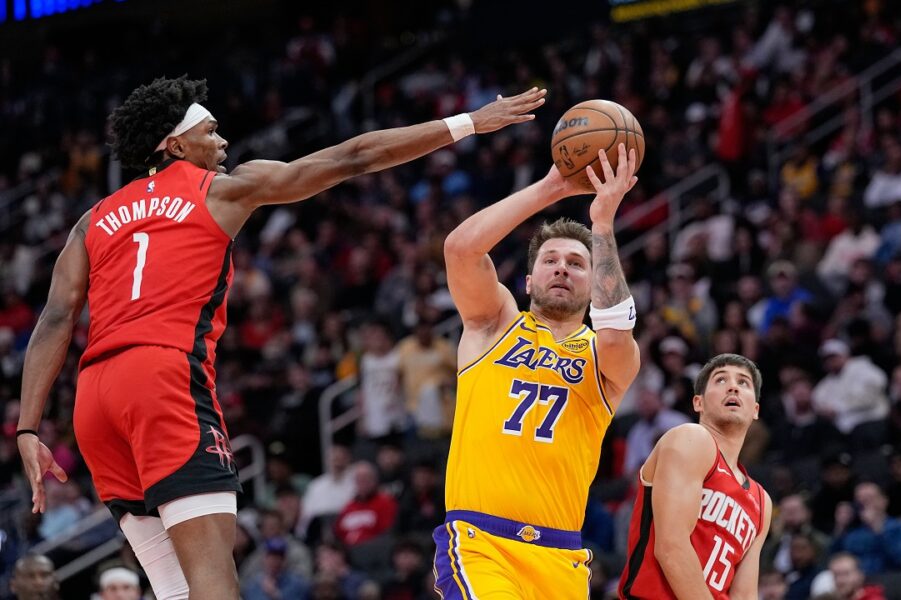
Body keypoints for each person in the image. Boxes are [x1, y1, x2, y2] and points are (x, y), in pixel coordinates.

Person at [15, 74, 544, 600]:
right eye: (211, 131)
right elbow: (352, 157)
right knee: (214, 581)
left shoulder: (93, 220)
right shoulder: (223, 188)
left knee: (173, 590)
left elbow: (55, 319)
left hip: (93, 401)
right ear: (175, 144)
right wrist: (470, 122)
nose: (223, 143)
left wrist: (28, 429)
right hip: (161, 378)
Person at [434, 144, 641, 598]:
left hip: (561, 558)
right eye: (550, 261)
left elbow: (613, 333)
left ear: (594, 284)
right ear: (528, 281)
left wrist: (603, 225)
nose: (562, 269)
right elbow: (460, 250)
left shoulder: (606, 355)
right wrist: (552, 188)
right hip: (481, 542)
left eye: (576, 264)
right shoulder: (495, 323)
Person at [618, 353, 773, 599]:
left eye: (743, 382)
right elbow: (672, 547)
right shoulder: (690, 438)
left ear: (755, 410)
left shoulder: (762, 502)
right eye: (721, 380)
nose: (733, 386)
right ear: (698, 403)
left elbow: (744, 594)